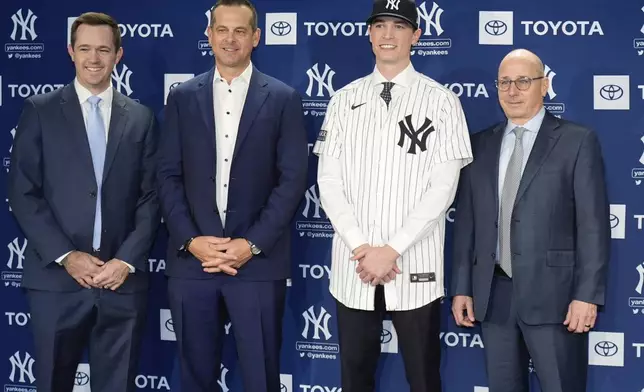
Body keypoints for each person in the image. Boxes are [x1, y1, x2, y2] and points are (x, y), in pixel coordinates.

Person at [313, 0, 472, 390]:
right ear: (369, 33)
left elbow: (443, 188)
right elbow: (329, 182)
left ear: (416, 35)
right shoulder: (342, 100)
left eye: (399, 26)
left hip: (413, 262)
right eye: (380, 25)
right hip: (356, 264)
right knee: (354, 378)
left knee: (423, 377)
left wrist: (392, 249)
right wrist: (363, 248)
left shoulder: (442, 101)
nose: (388, 34)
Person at [156, 0, 308, 391]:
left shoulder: (283, 98)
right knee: (194, 378)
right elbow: (168, 175)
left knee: (261, 377)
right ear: (209, 35)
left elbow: (292, 180)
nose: (230, 39)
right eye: (222, 29)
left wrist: (251, 244)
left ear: (256, 37)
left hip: (257, 266)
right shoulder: (183, 97)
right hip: (193, 265)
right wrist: (192, 241)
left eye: (240, 31)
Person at [7, 12, 160, 392]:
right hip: (56, 281)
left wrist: (125, 260)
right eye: (86, 49)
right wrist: (67, 256)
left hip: (120, 283)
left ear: (118, 55)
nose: (94, 58)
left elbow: (152, 196)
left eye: (103, 50)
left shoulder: (141, 118)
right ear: (71, 52)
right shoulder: (40, 110)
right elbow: (23, 192)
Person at [450, 48, 610, 392]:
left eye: (523, 81)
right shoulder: (479, 145)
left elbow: (594, 226)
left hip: (557, 300)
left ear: (545, 85)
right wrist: (462, 286)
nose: (513, 90)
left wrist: (587, 295)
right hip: (494, 298)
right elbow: (467, 225)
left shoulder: (578, 141)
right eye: (504, 82)